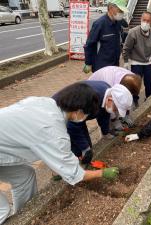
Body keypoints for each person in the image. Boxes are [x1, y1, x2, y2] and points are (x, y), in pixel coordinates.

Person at [0, 83, 119, 224]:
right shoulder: (53, 131)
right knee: (2, 210)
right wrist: (103, 173)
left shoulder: (46, 103)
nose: (85, 117)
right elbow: (76, 175)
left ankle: (21, 218)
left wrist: (60, 162)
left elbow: (44, 144)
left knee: (25, 176)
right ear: (78, 111)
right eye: (86, 114)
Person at [53, 81, 132, 165]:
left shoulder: (107, 93)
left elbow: (104, 114)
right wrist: (84, 148)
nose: (115, 111)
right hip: (59, 115)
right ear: (110, 99)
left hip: (77, 117)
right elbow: (72, 126)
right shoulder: (90, 99)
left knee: (87, 148)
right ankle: (62, 169)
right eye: (116, 108)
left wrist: (106, 132)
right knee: (75, 149)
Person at [123, 11, 151, 108]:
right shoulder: (133, 32)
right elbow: (126, 48)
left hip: (148, 62)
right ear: (141, 19)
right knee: (135, 83)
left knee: (149, 83)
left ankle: (149, 98)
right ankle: (134, 99)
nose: (145, 23)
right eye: (144, 20)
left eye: (148, 21)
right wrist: (126, 61)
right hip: (136, 62)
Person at [83, 0, 128, 73]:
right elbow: (89, 44)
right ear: (110, 8)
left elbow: (121, 37)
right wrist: (88, 63)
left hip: (115, 63)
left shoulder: (118, 22)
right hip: (101, 65)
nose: (121, 13)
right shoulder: (99, 24)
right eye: (120, 10)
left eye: (122, 11)